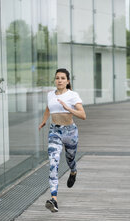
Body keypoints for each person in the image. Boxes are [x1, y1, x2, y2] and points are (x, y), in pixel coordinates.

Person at [39, 68, 86, 212]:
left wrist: (68, 108)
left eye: (62, 78)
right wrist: (44, 120)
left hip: (70, 132)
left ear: (67, 81)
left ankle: (73, 171)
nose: (59, 80)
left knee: (70, 158)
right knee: (53, 163)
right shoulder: (50, 95)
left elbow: (83, 115)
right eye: (57, 78)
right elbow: (49, 108)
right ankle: (54, 199)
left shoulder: (73, 95)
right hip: (55, 131)